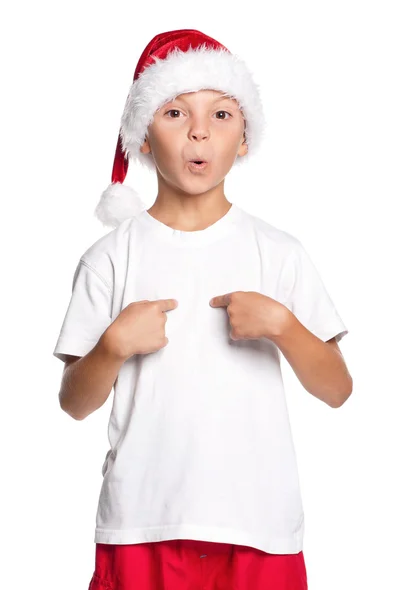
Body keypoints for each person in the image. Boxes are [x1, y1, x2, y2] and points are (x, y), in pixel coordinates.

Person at [53, 29, 352, 590]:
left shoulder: (278, 252)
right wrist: (113, 345)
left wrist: (284, 327)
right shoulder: (110, 258)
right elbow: (73, 402)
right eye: (174, 112)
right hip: (141, 524)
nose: (199, 130)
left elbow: (337, 389)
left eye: (220, 113)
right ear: (143, 136)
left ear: (244, 137)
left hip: (259, 526)